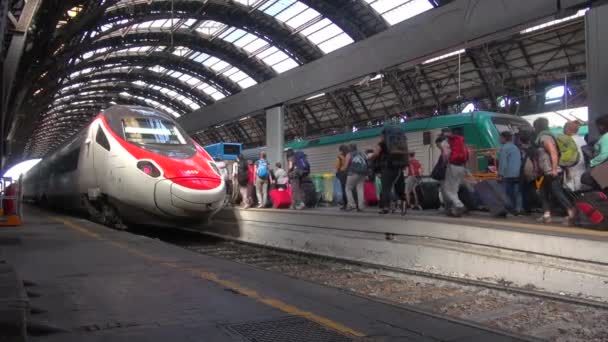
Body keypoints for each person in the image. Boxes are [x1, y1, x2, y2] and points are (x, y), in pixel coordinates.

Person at [533, 118, 577, 225]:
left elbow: (553, 152)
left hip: (551, 171)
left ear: (538, 127)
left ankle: (571, 213)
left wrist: (553, 169)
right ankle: (547, 215)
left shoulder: (545, 137)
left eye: (535, 127)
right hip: (549, 170)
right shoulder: (550, 136)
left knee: (557, 192)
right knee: (543, 192)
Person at [369, 127, 407, 214]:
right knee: (398, 188)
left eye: (380, 136)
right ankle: (403, 204)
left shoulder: (382, 143)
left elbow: (376, 153)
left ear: (383, 135)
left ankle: (386, 207)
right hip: (398, 168)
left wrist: (369, 157)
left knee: (386, 188)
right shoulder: (397, 143)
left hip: (387, 168)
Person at [438, 128, 469, 217]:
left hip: (453, 166)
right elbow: (467, 153)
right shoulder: (460, 140)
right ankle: (455, 210)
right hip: (462, 167)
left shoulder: (445, 142)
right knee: (454, 189)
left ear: (443, 134)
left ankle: (459, 205)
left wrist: (444, 164)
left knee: (447, 190)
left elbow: (446, 155)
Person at [497, 131, 522, 215]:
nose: (499, 139)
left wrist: (500, 174)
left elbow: (503, 163)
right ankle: (518, 209)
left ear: (504, 138)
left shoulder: (504, 148)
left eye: (500, 137)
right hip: (518, 173)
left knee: (508, 192)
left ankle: (511, 209)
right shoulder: (515, 147)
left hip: (508, 174)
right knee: (517, 192)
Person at [582, 115, 608, 189]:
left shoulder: (606, 137)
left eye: (598, 126)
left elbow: (605, 154)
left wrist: (592, 162)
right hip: (604, 166)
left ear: (602, 126)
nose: (597, 128)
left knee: (585, 178)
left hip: (603, 166)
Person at [344, 144, 366, 212]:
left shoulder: (349, 154)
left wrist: (343, 170)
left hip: (352, 173)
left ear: (350, 148)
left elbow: (345, 166)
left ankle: (352, 205)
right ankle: (361, 206)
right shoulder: (362, 153)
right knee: (360, 189)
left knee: (348, 189)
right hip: (362, 173)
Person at [335, 145, 349, 210]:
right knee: (350, 189)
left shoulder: (339, 157)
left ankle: (345, 204)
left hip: (342, 174)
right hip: (350, 173)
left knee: (344, 189)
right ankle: (353, 203)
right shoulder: (349, 155)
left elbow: (337, 166)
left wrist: (336, 172)